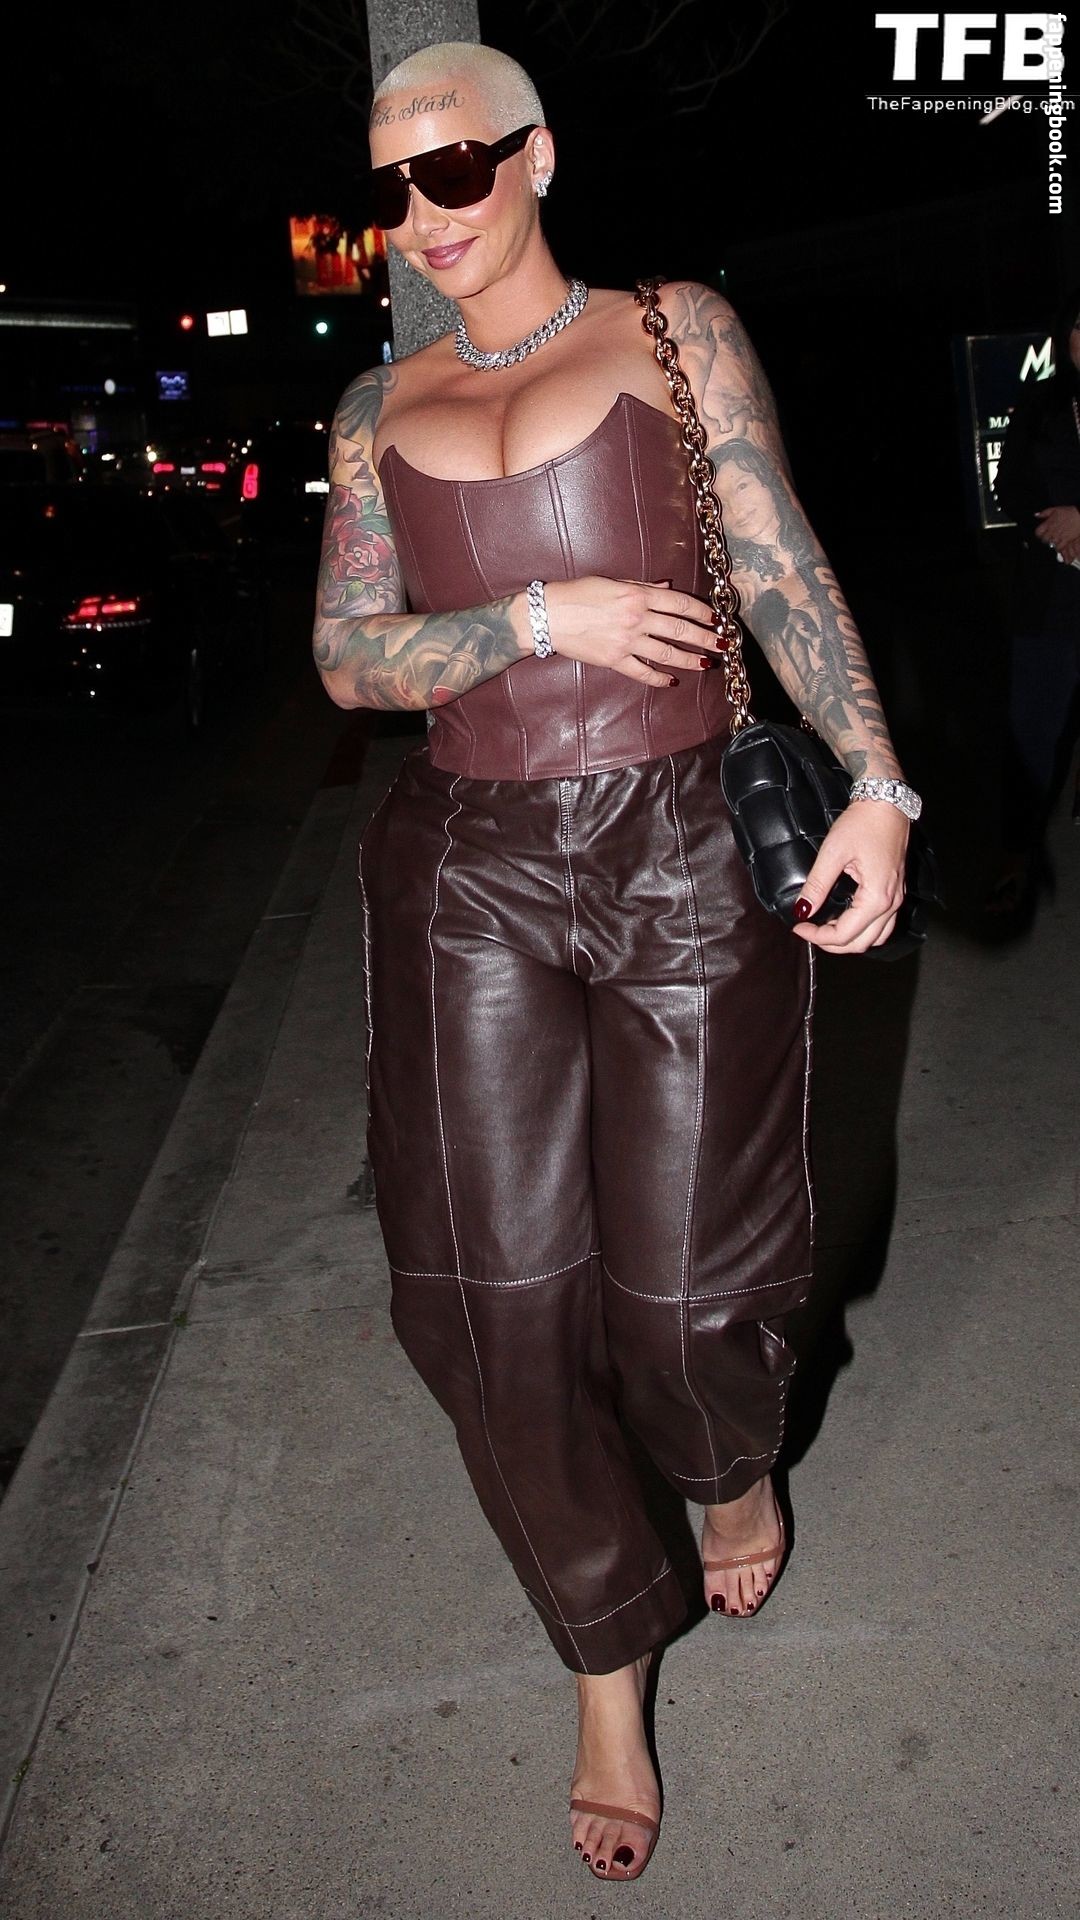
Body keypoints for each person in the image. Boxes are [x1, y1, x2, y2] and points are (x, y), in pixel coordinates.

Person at [312, 41, 918, 1885]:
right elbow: (349, 656)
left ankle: (727, 1463)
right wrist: (531, 618)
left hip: (675, 844)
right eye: (394, 184)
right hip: (470, 868)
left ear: (538, 154)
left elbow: (780, 561)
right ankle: (603, 1668)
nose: (428, 210)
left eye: (459, 165)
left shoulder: (673, 330)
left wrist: (878, 782)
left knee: (680, 1294)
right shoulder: (375, 406)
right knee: (487, 1304)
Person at [988, 286, 1080, 912]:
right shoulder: (1041, 403)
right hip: (1051, 593)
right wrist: (1055, 527)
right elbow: (1009, 488)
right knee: (1032, 727)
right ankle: (1015, 856)